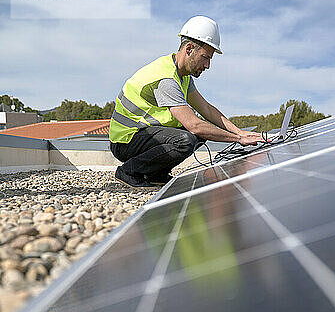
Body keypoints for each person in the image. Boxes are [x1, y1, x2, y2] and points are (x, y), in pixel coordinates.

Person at [109, 16, 262, 188]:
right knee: (186, 139)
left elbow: (206, 109)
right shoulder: (166, 78)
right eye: (205, 57)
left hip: (142, 136)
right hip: (125, 142)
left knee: (202, 133)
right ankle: (129, 171)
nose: (208, 65)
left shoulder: (183, 76)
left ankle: (156, 174)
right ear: (189, 49)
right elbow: (194, 125)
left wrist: (240, 132)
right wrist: (237, 139)